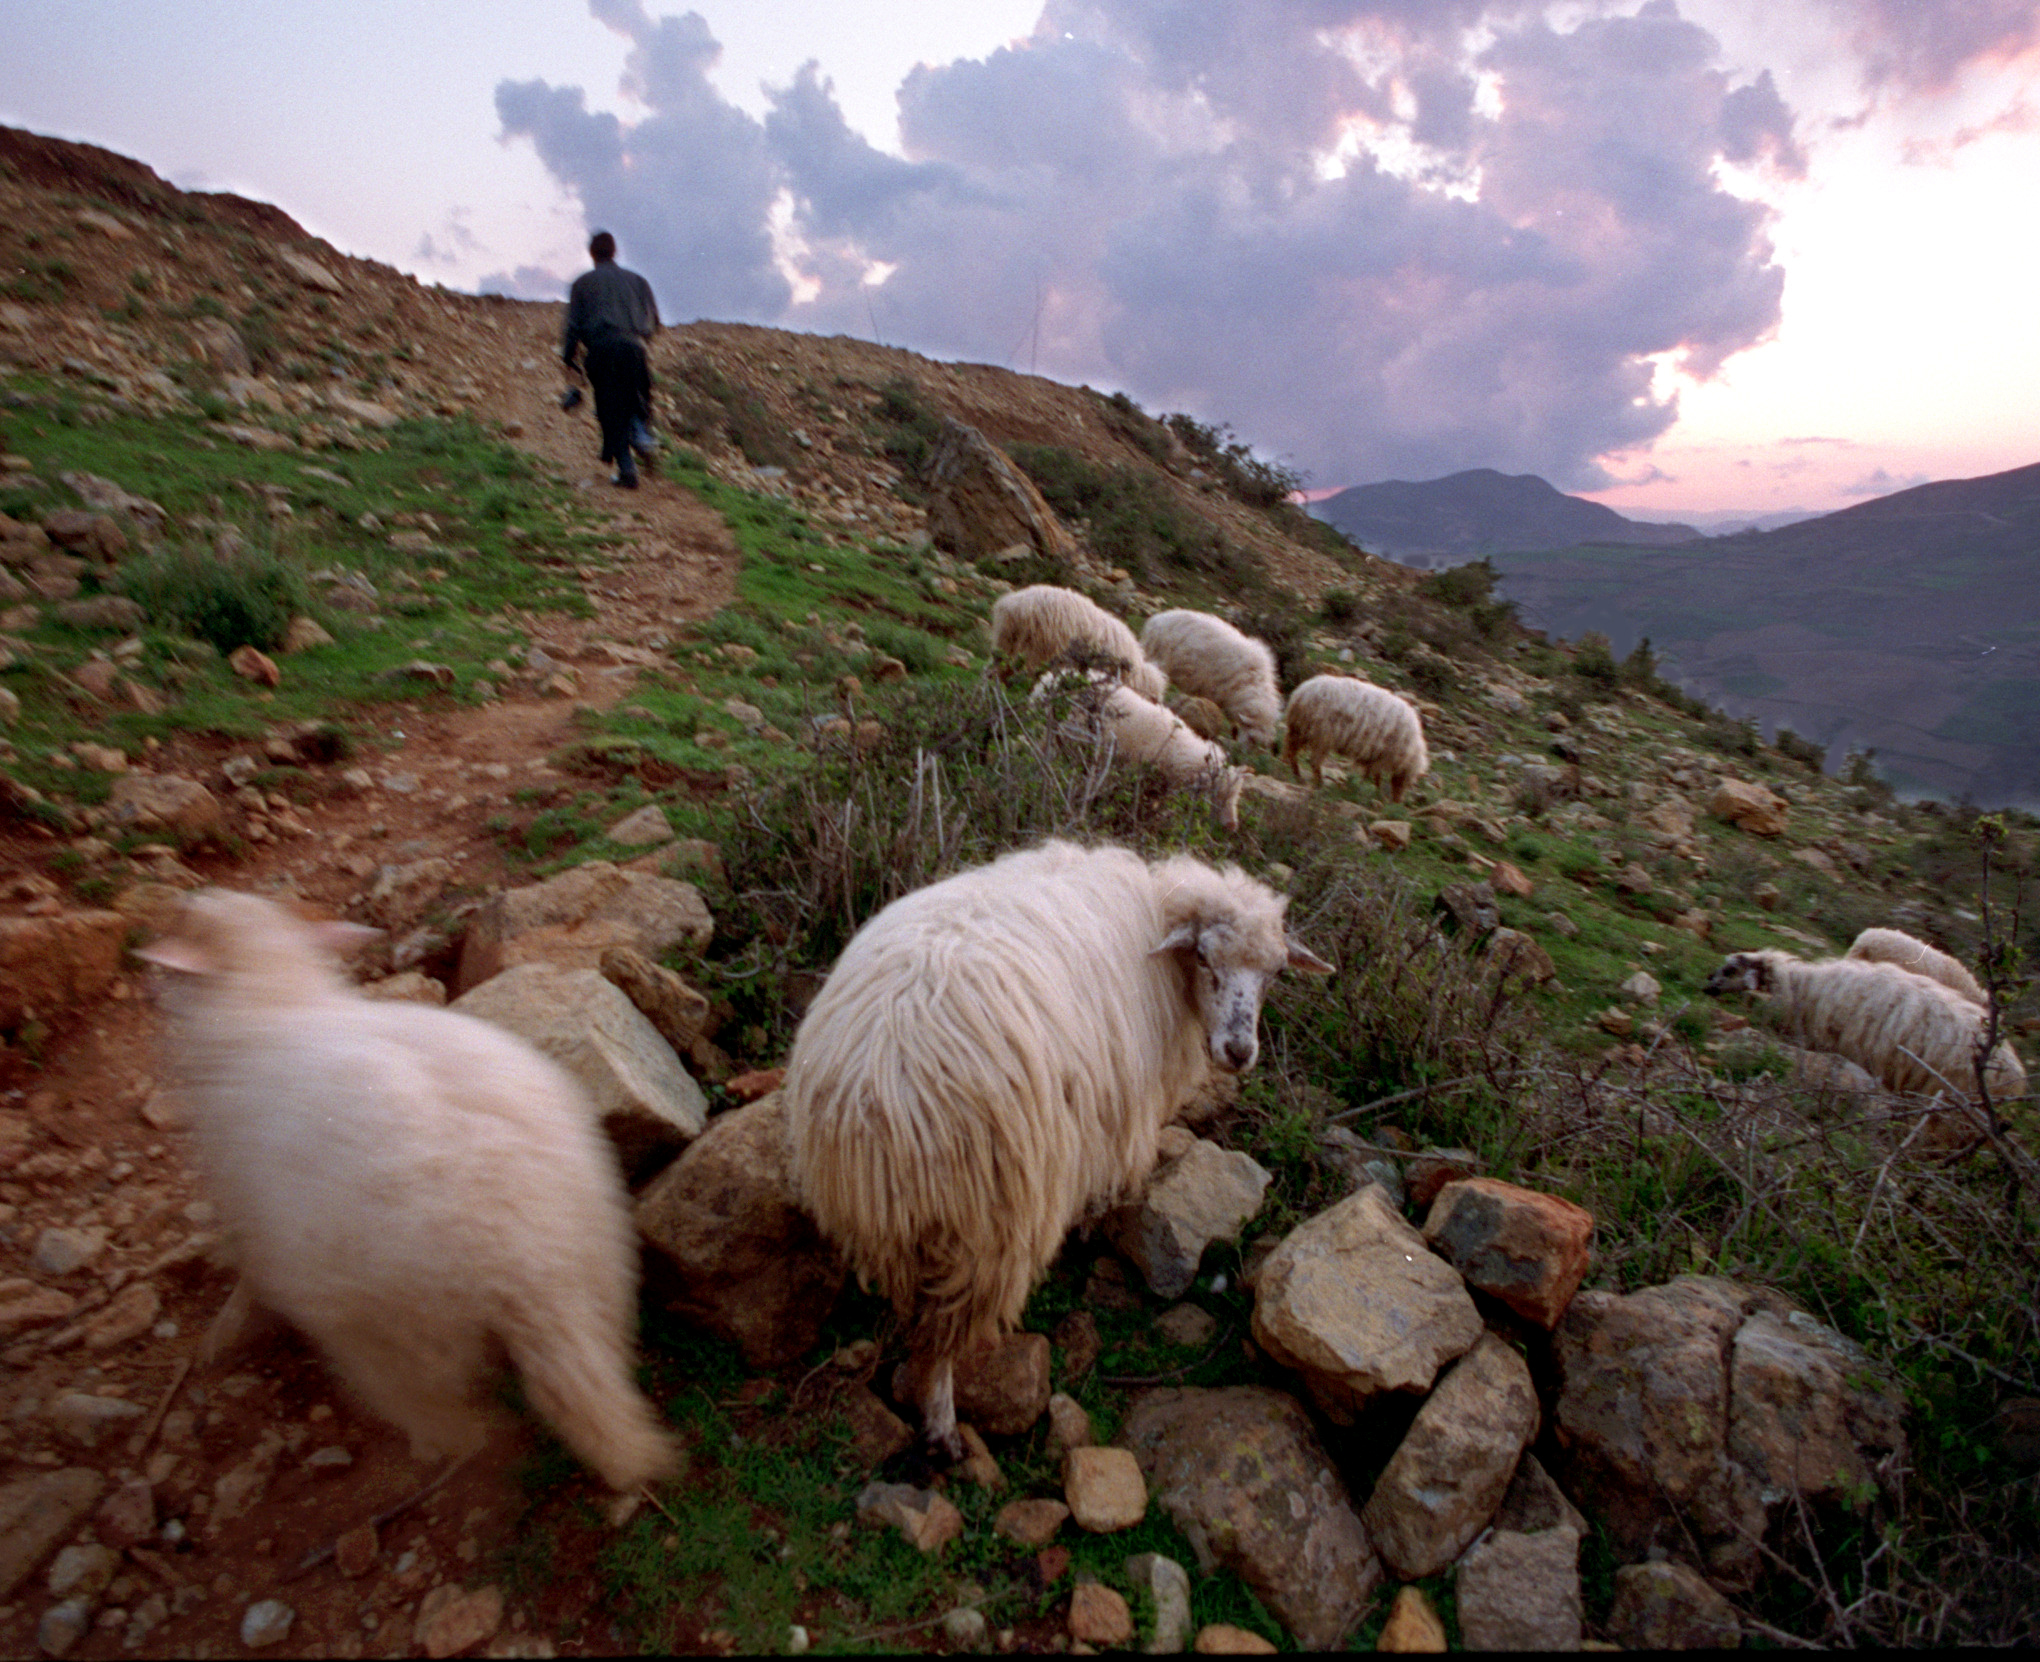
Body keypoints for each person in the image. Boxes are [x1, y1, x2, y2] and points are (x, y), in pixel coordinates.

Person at [561, 230, 660, 488]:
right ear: (615, 251)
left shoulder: (582, 284)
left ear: (592, 254)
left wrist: (569, 358)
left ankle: (627, 470)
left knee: (609, 411)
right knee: (637, 399)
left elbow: (573, 327)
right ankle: (640, 431)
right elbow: (654, 322)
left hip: (601, 350)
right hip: (634, 348)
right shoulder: (638, 281)